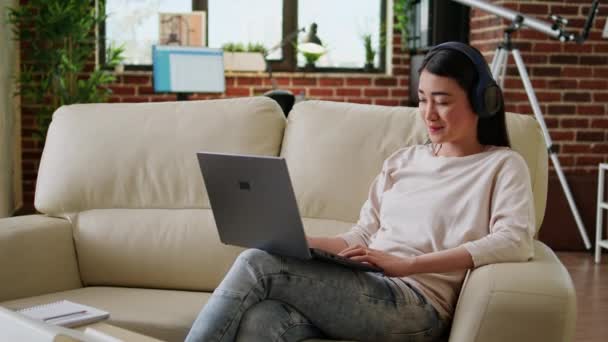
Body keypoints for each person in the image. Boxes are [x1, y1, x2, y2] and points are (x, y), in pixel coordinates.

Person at [185, 42, 535, 342]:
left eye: (442, 101)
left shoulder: (502, 165)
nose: (428, 113)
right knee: (264, 320)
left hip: (418, 305)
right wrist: (295, 240)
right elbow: (361, 235)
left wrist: (409, 264)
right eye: (423, 99)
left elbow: (514, 240)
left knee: (256, 264)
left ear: (481, 101)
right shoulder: (403, 160)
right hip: (366, 283)